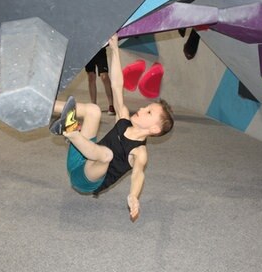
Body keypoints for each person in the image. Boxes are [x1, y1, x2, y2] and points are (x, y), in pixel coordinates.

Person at [49, 34, 174, 221]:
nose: (141, 108)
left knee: (107, 155)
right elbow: (117, 86)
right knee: (93, 110)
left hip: (87, 179)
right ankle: (44, 105)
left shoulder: (139, 151)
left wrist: (133, 196)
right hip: (81, 154)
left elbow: (138, 174)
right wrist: (114, 49)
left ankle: (70, 131)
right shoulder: (123, 119)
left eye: (148, 112)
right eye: (146, 107)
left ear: (154, 129)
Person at [85, 46, 115, 115]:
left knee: (104, 76)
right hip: (88, 49)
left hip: (100, 49)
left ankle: (111, 105)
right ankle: (93, 105)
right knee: (91, 76)